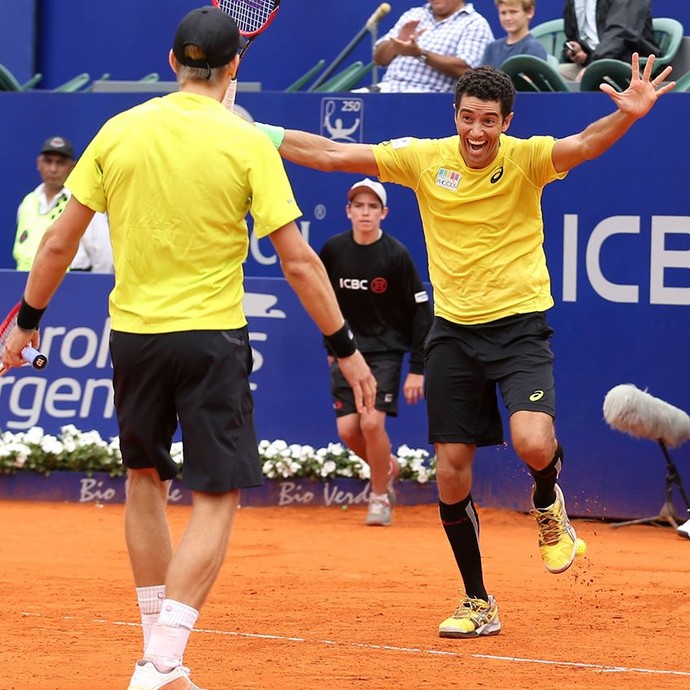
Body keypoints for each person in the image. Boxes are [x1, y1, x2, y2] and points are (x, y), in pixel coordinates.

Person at [0, 7, 375, 690]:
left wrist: (27, 319)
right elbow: (298, 263)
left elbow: (57, 243)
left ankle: (155, 656)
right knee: (216, 495)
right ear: (235, 67)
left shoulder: (119, 130)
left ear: (173, 62)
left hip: (135, 340)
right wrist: (345, 348)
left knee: (145, 482)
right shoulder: (245, 141)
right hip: (210, 338)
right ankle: (163, 658)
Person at [255, 52, 675, 638]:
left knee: (533, 441)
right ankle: (478, 601)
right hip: (452, 333)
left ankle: (548, 504)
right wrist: (258, 131)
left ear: (506, 122)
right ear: (455, 115)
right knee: (451, 474)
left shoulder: (527, 159)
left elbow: (583, 145)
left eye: (490, 121)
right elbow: (330, 153)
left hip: (519, 326)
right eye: (468, 118)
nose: (477, 132)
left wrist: (627, 116)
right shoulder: (425, 160)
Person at [320, 178, 433, 527]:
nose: (365, 213)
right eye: (359, 206)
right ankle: (385, 468)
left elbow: (421, 312)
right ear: (348, 212)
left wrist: (418, 367)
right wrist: (332, 347)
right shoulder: (334, 251)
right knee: (348, 432)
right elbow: (323, 302)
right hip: (346, 352)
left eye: (372, 207)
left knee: (371, 422)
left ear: (383, 213)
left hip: (385, 352)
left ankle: (380, 497)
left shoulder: (396, 255)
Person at [14, 136, 113, 273]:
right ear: (39, 163)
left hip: (71, 288)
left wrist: (92, 290)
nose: (53, 169)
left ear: (72, 167)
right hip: (23, 285)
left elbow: (105, 256)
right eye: (48, 162)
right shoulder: (28, 203)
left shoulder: (83, 202)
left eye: (60, 163)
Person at [370, 0, 494, 92]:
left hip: (427, 97)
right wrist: (397, 42)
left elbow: (468, 71)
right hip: (384, 90)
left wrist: (420, 54)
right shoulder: (414, 14)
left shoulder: (475, 23)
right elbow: (379, 59)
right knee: (353, 103)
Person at [559, 0, 659, 82]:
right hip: (591, 63)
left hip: (631, 66)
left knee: (598, 80)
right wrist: (576, 51)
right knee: (555, 75)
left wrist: (593, 68)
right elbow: (572, 36)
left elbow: (620, 33)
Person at [480, 0, 547, 68]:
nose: (507, 18)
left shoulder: (533, 48)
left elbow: (532, 78)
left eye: (513, 12)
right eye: (503, 13)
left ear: (530, 12)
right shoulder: (491, 48)